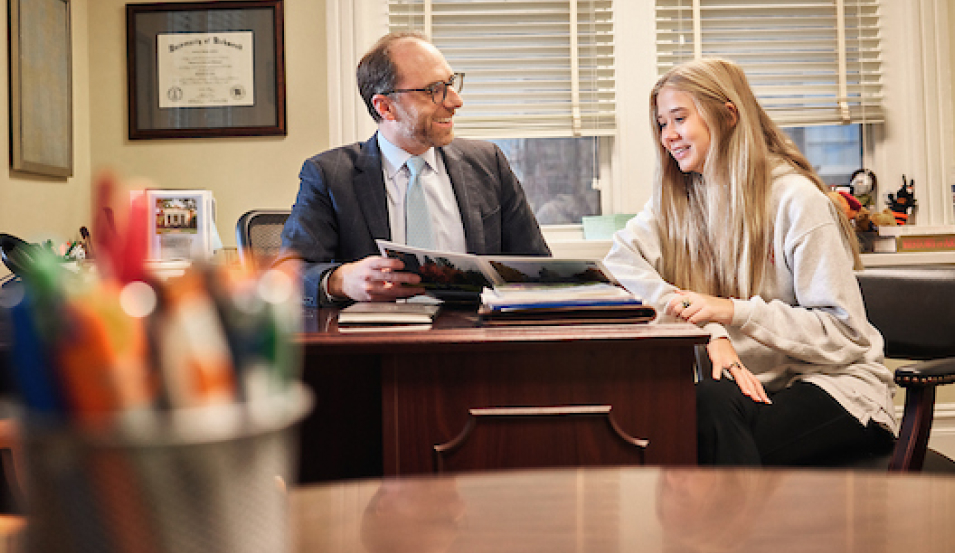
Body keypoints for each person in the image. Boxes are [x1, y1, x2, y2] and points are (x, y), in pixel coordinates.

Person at [603, 57, 897, 466]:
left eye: (679, 119)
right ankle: (737, 529)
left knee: (698, 435)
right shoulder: (678, 202)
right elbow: (618, 263)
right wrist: (711, 330)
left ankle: (731, 530)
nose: (668, 136)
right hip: (753, 391)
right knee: (698, 406)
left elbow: (845, 333)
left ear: (727, 115)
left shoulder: (797, 201)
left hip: (837, 388)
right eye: (661, 124)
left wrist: (734, 312)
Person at [280, 32, 550, 305]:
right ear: (385, 107)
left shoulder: (487, 162)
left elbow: (537, 265)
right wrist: (340, 280)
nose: (456, 101)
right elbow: (286, 276)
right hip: (377, 340)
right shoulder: (330, 175)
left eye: (451, 83)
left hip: (475, 335)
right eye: (434, 90)